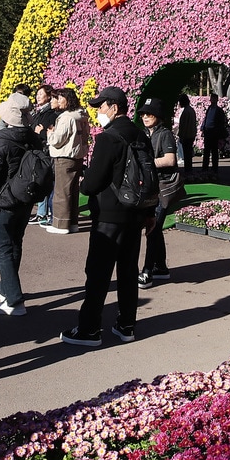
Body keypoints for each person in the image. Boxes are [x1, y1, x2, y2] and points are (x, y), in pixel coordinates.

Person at [61, 86, 145, 347]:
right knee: (128, 271)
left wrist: (84, 184)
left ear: (114, 107)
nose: (98, 111)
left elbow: (93, 182)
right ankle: (126, 325)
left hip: (109, 214)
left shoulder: (108, 138)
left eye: (101, 106)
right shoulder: (140, 134)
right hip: (136, 211)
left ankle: (89, 329)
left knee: (98, 273)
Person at [0, 93, 44, 316]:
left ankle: (14, 299)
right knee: (16, 244)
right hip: (25, 199)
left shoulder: (4, 142)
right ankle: (6, 287)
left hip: (4, 200)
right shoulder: (33, 138)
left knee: (3, 248)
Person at [136, 98, 182, 288]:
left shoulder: (165, 135)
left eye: (150, 114)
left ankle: (147, 271)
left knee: (152, 229)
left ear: (158, 116)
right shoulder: (148, 134)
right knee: (155, 229)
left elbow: (171, 160)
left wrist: (147, 164)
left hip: (164, 187)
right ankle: (161, 268)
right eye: (143, 114)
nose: (145, 117)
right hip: (153, 187)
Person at [44, 87, 90, 235]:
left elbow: (57, 140)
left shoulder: (66, 117)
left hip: (64, 156)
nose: (56, 101)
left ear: (67, 99)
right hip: (77, 156)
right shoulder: (81, 115)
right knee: (73, 191)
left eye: (59, 98)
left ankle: (60, 224)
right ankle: (73, 223)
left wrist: (50, 134)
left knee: (61, 192)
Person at [29, 85, 59, 226]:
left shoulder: (51, 114)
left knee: (45, 181)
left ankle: (45, 213)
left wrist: (40, 132)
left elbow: (48, 133)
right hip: (38, 150)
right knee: (41, 180)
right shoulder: (40, 112)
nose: (38, 96)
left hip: (45, 151)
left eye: (41, 94)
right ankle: (41, 213)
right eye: (37, 94)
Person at [200, 94, 228, 174]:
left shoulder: (219, 110)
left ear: (216, 100)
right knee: (206, 151)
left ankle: (214, 168)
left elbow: (222, 122)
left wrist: (218, 132)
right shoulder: (209, 108)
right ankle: (205, 167)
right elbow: (206, 118)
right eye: (211, 98)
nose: (211, 100)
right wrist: (203, 128)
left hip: (214, 132)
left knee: (214, 151)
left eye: (213, 98)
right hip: (207, 132)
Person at [176, 93, 197, 175]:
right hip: (191, 135)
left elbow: (183, 125)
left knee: (186, 154)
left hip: (186, 135)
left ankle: (187, 170)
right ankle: (189, 169)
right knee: (189, 154)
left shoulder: (185, 111)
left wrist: (180, 135)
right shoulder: (191, 110)